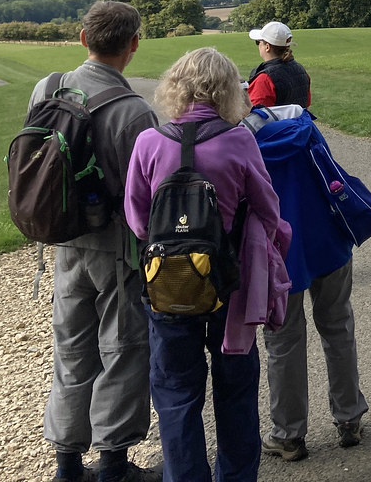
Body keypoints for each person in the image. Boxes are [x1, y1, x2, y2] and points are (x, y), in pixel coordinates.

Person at [124, 48, 289, 482]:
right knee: (235, 390)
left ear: (175, 88)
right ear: (225, 91)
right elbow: (269, 211)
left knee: (176, 393)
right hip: (229, 284)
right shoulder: (239, 140)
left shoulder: (148, 142)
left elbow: (138, 221)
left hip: (166, 285)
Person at [26, 0, 160, 482]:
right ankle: (113, 464)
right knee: (122, 350)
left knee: (70, 349)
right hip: (117, 249)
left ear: (83, 38)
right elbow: (142, 195)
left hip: (62, 243)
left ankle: (67, 463)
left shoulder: (47, 88)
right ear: (133, 45)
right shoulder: (134, 112)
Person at [258, 112, 369, 462]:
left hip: (279, 255)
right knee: (338, 326)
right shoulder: (304, 128)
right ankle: (349, 417)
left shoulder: (244, 143)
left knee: (283, 341)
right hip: (327, 239)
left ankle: (289, 435)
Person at [246, 21, 310, 108]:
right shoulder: (301, 70)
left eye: (258, 42)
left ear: (267, 47)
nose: (258, 46)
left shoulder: (264, 79)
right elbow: (306, 105)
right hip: (299, 121)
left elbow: (255, 116)